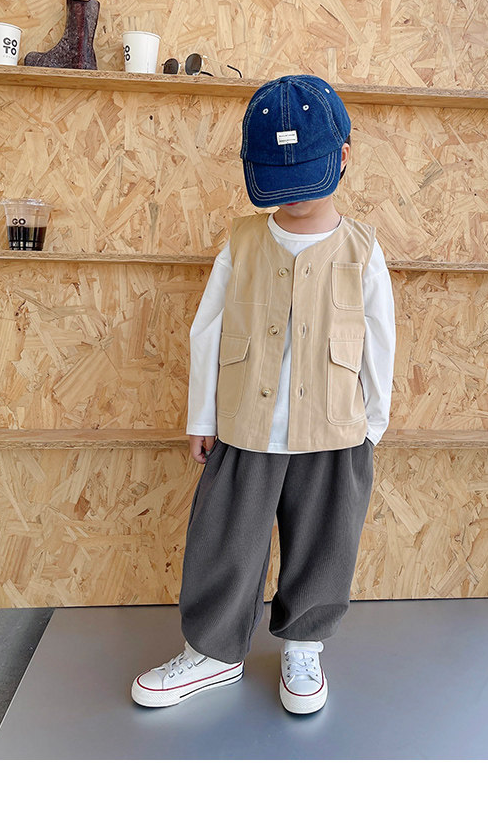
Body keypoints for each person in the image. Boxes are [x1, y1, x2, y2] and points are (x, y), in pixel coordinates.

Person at [131, 74, 396, 715]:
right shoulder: (242, 242)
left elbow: (379, 339)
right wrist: (201, 417)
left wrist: (372, 426)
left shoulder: (363, 250)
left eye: (304, 177)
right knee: (224, 541)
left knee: (325, 544)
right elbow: (207, 331)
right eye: (278, 182)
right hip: (245, 427)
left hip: (335, 431)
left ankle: (304, 645)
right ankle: (213, 652)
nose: (293, 197)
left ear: (343, 156)